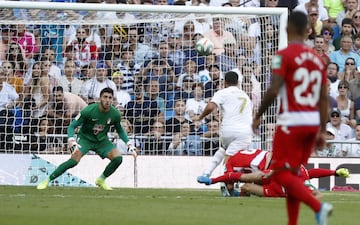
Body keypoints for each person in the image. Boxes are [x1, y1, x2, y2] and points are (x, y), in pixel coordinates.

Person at [251, 12, 332, 225]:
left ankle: (318, 206)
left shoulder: (283, 55)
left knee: (279, 175)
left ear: (287, 28)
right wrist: (322, 130)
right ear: (308, 30)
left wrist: (258, 115)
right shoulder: (318, 59)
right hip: (312, 123)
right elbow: (324, 98)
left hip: (291, 123)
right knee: (294, 175)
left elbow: (274, 88)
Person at [36, 88, 137, 190]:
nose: (107, 100)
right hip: (85, 139)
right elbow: (72, 126)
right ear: (99, 99)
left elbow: (120, 130)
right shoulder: (88, 110)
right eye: (105, 97)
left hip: (101, 141)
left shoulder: (115, 114)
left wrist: (129, 143)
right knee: (73, 161)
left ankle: (101, 180)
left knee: (118, 158)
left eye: (110, 98)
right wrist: (71, 140)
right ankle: (47, 180)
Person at [194, 71, 252, 178]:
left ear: (225, 82)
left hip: (228, 130)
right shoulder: (245, 96)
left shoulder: (222, 92)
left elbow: (211, 106)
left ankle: (207, 173)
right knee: (230, 157)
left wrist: (200, 117)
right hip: (245, 132)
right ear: (238, 82)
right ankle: (226, 186)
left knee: (225, 151)